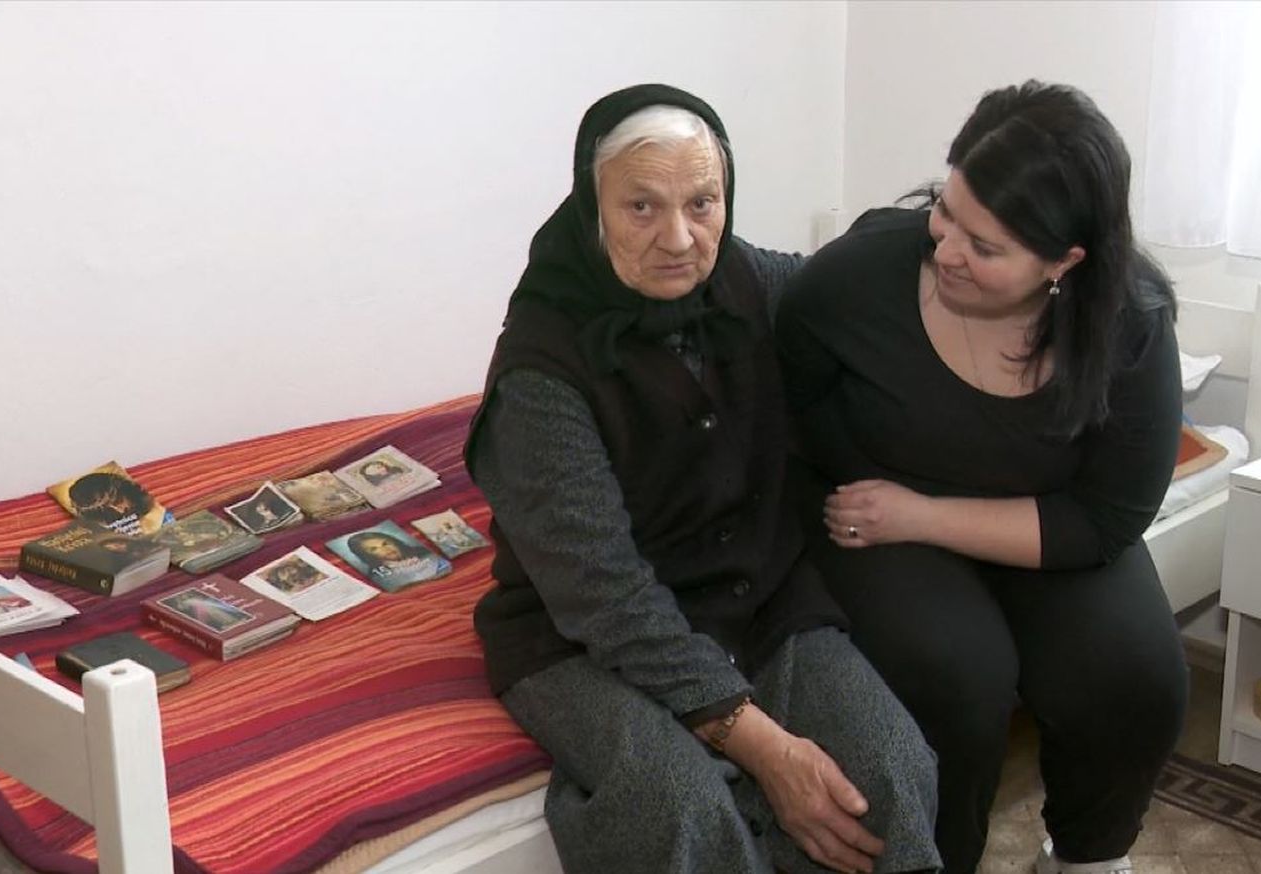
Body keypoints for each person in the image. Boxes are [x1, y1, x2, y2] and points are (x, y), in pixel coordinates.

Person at [464, 84, 940, 874]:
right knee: (682, 809)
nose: (678, 238)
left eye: (702, 203)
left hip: (754, 599)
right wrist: (768, 751)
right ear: (591, 207)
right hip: (579, 638)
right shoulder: (539, 373)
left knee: (891, 765)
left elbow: (846, 279)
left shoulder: (746, 278)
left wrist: (951, 232)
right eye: (641, 207)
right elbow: (604, 598)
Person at [775, 80, 1188, 874]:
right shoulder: (853, 281)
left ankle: (1087, 859)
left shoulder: (1129, 324)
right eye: (946, 211)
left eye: (987, 247)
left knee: (1138, 674)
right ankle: (938, 862)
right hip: (876, 518)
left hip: (1044, 523)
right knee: (956, 676)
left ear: (1065, 262)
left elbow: (1105, 518)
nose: (946, 251)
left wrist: (923, 514)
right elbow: (790, 405)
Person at [344, 529, 447, 584]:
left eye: (385, 544)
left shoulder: (422, 551)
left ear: (395, 542)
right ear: (366, 555)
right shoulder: (376, 575)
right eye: (374, 549)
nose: (386, 549)